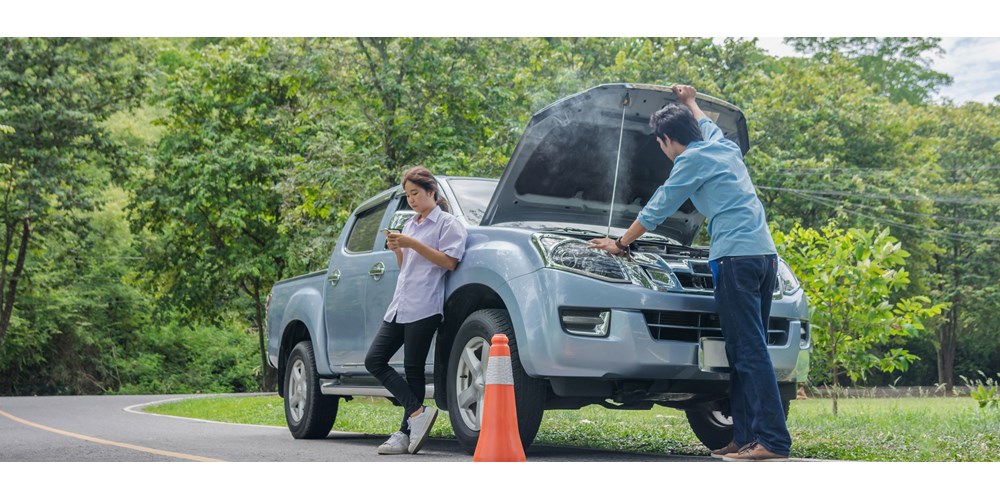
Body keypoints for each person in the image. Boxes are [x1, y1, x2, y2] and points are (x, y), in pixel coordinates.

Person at [590, 85, 792, 462]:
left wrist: (621, 243)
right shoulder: (723, 146)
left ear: (666, 140)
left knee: (749, 351)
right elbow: (705, 123)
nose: (663, 151)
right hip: (764, 257)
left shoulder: (689, 161)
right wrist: (690, 101)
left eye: (660, 143)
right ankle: (746, 437)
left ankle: (773, 440)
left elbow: (658, 207)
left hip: (735, 257)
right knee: (744, 349)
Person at [364, 166, 468, 455]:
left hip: (425, 304)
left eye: (415, 193)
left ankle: (404, 434)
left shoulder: (448, 224)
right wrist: (399, 249)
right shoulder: (411, 224)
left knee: (413, 370)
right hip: (400, 303)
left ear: (431, 192)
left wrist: (412, 243)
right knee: (375, 360)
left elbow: (449, 262)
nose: (411, 199)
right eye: (407, 195)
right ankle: (417, 414)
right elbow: (406, 267)